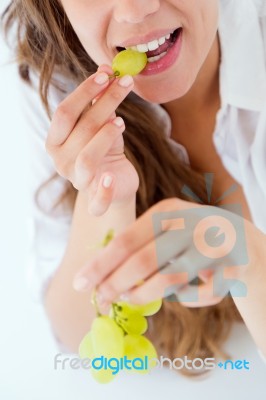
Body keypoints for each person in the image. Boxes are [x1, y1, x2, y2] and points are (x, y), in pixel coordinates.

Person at [2, 0, 266, 378]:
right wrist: (109, 198)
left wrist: (253, 262)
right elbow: (80, 341)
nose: (135, 10)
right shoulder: (55, 67)